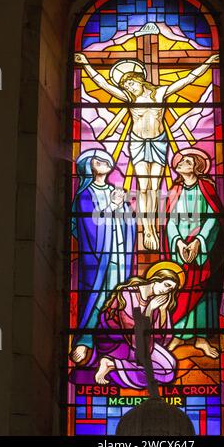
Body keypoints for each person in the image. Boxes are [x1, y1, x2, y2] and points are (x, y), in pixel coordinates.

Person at [75, 53, 219, 251]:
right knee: (143, 187)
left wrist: (207, 63)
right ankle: (148, 229)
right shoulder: (128, 97)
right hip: (138, 142)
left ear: (140, 80)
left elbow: (188, 79)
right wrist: (86, 65)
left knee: (154, 187)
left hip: (159, 143)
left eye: (131, 84)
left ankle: (153, 225)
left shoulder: (160, 93)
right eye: (126, 87)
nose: (129, 89)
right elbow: (103, 84)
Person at [70, 149, 136, 365]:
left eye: (107, 161)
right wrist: (112, 206)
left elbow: (129, 223)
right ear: (89, 167)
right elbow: (88, 225)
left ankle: (116, 335)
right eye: (98, 161)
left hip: (119, 251)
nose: (105, 163)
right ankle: (86, 338)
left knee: (117, 294)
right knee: (96, 295)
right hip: (98, 258)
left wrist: (123, 210)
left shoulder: (114, 190)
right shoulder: (85, 195)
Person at [162, 148, 224, 358]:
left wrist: (199, 241)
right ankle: (178, 334)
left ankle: (201, 338)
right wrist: (178, 243)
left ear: (196, 165)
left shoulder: (206, 187)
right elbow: (170, 220)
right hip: (179, 249)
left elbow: (214, 217)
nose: (180, 163)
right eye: (179, 162)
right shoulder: (175, 190)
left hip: (202, 248)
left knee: (202, 289)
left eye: (186, 161)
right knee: (180, 288)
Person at [94, 261, 185, 387]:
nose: (166, 290)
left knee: (169, 371)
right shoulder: (128, 293)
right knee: (161, 371)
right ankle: (109, 361)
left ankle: (114, 365)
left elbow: (162, 337)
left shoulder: (156, 301)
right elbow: (130, 328)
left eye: (170, 289)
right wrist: (149, 309)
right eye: (166, 285)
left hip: (143, 343)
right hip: (118, 342)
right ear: (156, 279)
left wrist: (163, 311)